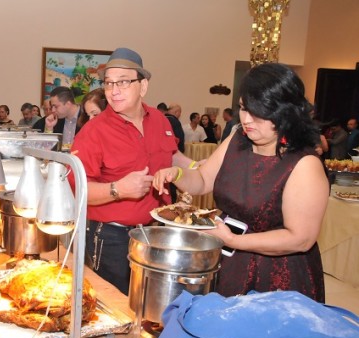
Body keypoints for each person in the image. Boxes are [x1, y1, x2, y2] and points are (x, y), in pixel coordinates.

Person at [153, 63, 328, 302]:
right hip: (229, 258)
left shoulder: (304, 164)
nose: (246, 120)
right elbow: (203, 180)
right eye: (244, 109)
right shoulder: (237, 141)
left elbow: (301, 238)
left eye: (258, 113)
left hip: (277, 273)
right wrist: (178, 174)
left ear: (286, 112)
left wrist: (234, 240)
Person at [70, 47, 196, 295]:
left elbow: (173, 156)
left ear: (143, 86)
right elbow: (77, 190)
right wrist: (118, 189)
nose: (114, 91)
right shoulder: (93, 132)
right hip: (113, 240)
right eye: (108, 83)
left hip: (158, 233)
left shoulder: (160, 120)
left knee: (152, 308)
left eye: (124, 82)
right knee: (115, 310)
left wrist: (201, 169)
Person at [32, 86, 81, 151]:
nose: (53, 110)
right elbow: (47, 148)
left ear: (68, 104)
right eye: (52, 106)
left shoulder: (87, 118)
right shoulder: (56, 119)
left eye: (55, 106)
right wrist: (49, 128)